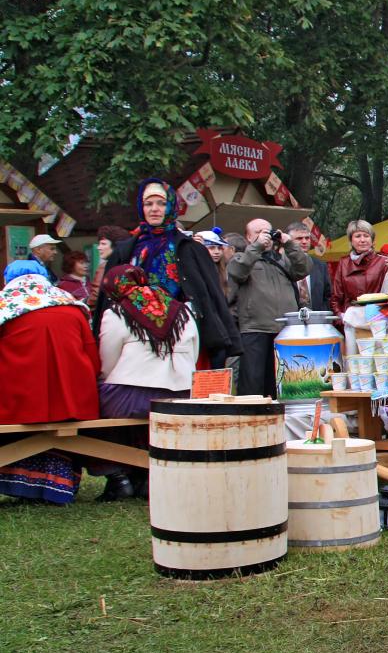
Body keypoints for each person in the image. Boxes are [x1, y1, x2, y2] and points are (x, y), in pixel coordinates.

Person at [99, 179, 239, 367]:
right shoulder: (126, 250)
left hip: (179, 336)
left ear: (171, 206)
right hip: (133, 337)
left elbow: (211, 297)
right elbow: (109, 294)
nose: (154, 209)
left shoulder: (190, 249)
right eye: (148, 204)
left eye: (161, 203)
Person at [94, 265, 200, 500]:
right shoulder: (181, 310)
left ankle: (118, 475)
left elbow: (107, 362)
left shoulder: (117, 312)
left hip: (132, 396)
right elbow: (193, 353)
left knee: (93, 405)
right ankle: (146, 476)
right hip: (183, 394)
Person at [0, 260, 99, 424]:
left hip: (18, 407)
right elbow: (93, 360)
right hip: (76, 405)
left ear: (8, 281)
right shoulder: (73, 307)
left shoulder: (5, 308)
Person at [228, 219, 310, 397]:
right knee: (253, 383)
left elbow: (304, 268)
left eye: (268, 231)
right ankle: (251, 418)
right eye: (258, 232)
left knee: (282, 382)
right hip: (255, 328)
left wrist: (289, 243)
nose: (264, 235)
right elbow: (237, 271)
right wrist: (256, 247)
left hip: (285, 330)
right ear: (248, 237)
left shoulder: (282, 260)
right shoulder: (241, 258)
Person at [330, 219, 387, 318]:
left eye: (366, 236)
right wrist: (340, 316)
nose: (362, 240)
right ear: (351, 241)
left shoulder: (383, 262)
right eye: (358, 236)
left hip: (378, 317)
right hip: (351, 318)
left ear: (372, 240)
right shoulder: (344, 263)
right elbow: (336, 296)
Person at [289, 221, 331, 312]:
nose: (304, 241)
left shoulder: (320, 265)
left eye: (307, 238)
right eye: (299, 238)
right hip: (291, 321)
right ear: (289, 241)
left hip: (317, 320)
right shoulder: (283, 264)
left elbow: (328, 295)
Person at [90, 225, 132, 302]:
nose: (98, 247)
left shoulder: (104, 267)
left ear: (116, 246)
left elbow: (95, 297)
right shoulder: (132, 265)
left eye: (103, 244)